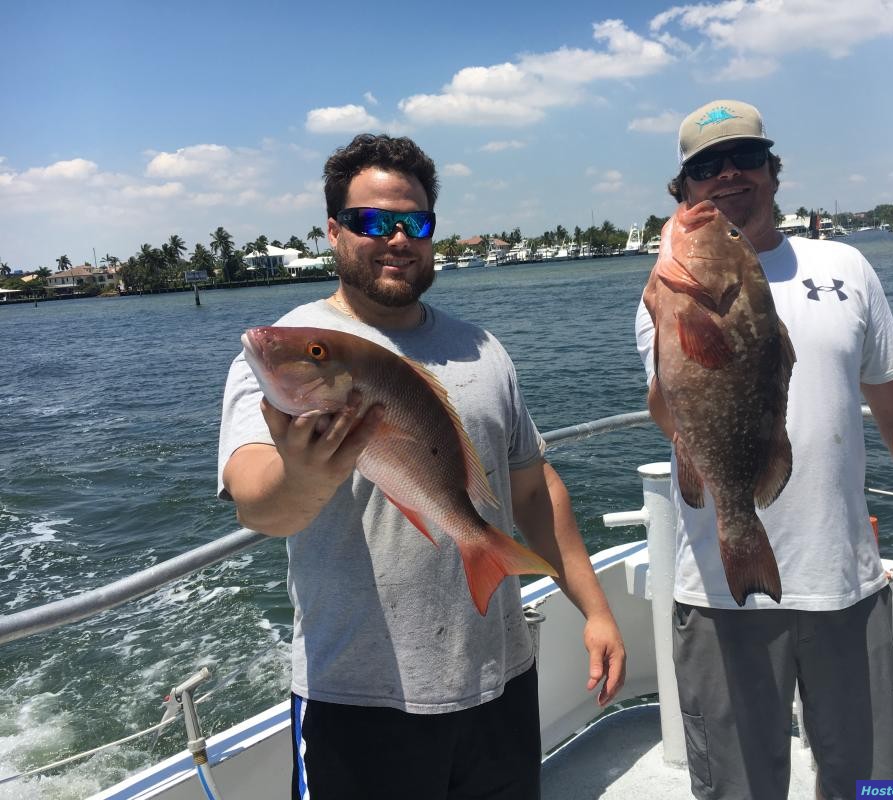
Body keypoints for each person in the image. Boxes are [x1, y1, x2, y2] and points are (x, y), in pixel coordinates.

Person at [218, 133, 626, 800]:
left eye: (414, 222)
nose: (396, 239)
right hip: (359, 702)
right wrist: (305, 475)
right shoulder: (286, 353)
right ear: (332, 232)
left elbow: (532, 490)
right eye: (372, 222)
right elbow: (259, 505)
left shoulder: (481, 348)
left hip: (501, 679)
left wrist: (598, 610)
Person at [634, 100, 893, 799]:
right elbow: (674, 421)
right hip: (717, 593)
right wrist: (668, 318)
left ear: (772, 172)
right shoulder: (663, 293)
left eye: (745, 158)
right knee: (736, 786)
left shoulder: (845, 265)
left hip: (844, 580)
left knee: (867, 779)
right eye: (704, 167)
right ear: (683, 192)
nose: (726, 175)